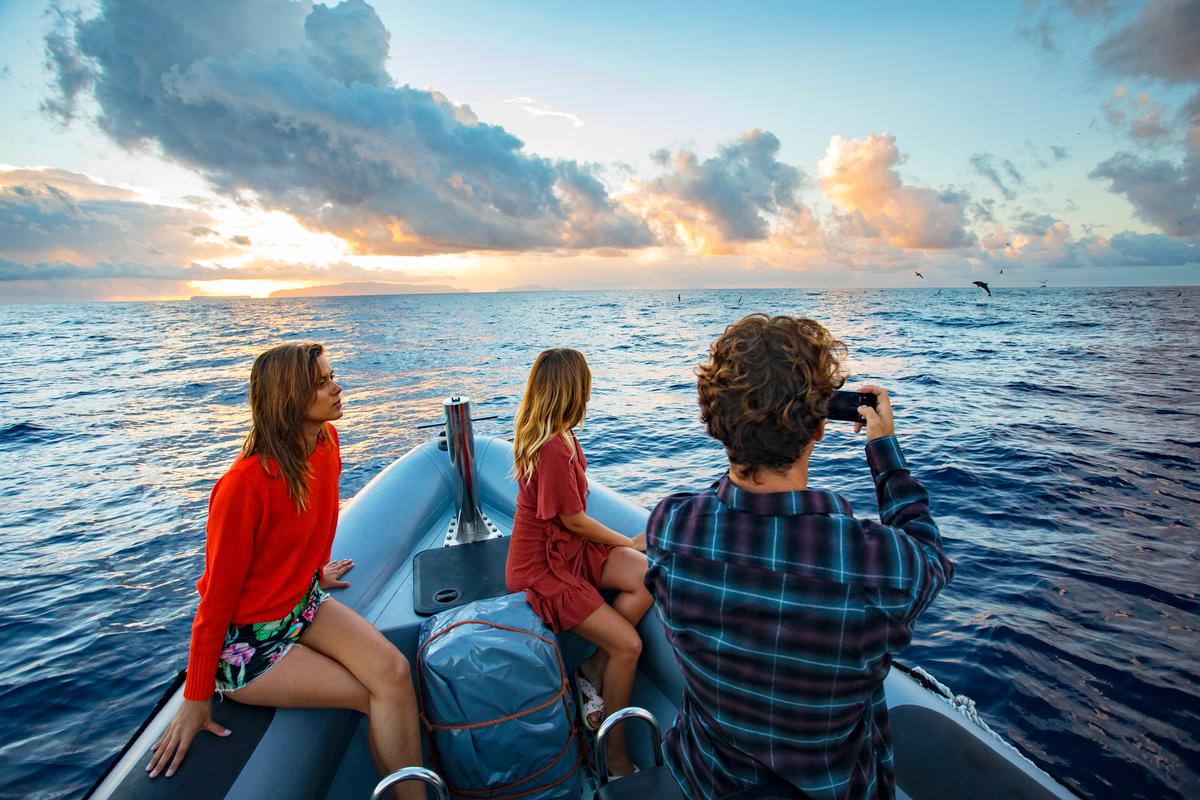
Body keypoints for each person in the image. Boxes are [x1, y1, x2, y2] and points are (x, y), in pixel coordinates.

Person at [645, 315, 954, 800]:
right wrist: (885, 451)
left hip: (706, 781)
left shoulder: (671, 528)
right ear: (819, 429)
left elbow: (718, 505)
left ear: (714, 421)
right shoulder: (877, 566)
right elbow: (929, 558)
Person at [146, 343, 424, 800]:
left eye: (332, 375)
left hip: (301, 603)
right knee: (368, 693)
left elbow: (308, 522)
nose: (336, 387)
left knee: (393, 673)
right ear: (289, 398)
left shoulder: (326, 443)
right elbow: (215, 602)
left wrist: (313, 572)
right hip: (247, 643)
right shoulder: (242, 487)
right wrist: (195, 700)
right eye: (321, 382)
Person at [505, 348, 652, 778]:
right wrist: (627, 541)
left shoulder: (564, 434)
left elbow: (573, 523)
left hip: (568, 549)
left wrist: (631, 549)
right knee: (628, 645)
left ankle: (592, 666)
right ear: (574, 388)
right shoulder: (551, 447)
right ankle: (615, 757)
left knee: (649, 576)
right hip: (543, 568)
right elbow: (572, 519)